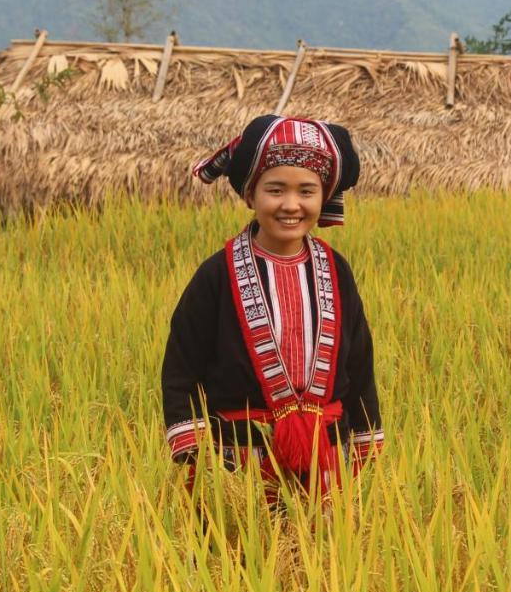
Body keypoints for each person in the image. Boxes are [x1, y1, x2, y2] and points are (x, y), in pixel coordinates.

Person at [161, 115, 384, 498]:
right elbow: (181, 365)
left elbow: (360, 364)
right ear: (251, 195)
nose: (291, 205)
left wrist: (365, 440)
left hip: (327, 456)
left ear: (324, 196)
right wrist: (193, 452)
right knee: (240, 554)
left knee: (326, 554)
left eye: (307, 191)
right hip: (238, 462)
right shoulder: (217, 274)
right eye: (276, 190)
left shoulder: (336, 271)